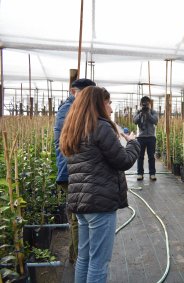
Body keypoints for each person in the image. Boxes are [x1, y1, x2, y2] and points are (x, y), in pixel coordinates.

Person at [60, 86, 140, 283]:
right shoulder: (100, 127)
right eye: (109, 103)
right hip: (99, 203)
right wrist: (133, 143)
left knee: (84, 257)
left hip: (80, 202)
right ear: (98, 104)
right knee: (99, 262)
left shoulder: (74, 128)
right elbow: (123, 161)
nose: (111, 109)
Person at [54, 78, 96, 264]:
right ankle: (80, 260)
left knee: (78, 217)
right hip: (69, 171)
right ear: (73, 92)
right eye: (86, 94)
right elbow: (73, 139)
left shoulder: (77, 109)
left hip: (75, 170)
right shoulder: (68, 110)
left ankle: (76, 258)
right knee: (78, 220)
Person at [133, 96, 159, 181]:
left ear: (150, 104)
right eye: (143, 104)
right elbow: (134, 121)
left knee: (151, 156)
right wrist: (141, 114)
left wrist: (148, 113)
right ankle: (140, 173)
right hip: (141, 137)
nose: (145, 106)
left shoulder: (153, 112)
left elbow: (155, 121)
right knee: (140, 156)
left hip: (151, 137)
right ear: (140, 104)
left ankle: (152, 174)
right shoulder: (138, 112)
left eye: (147, 104)